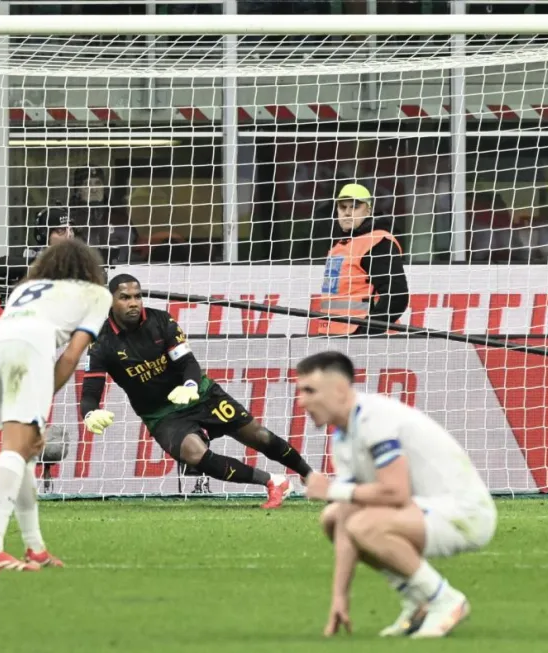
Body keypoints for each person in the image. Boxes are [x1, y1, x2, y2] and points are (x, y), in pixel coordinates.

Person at [298, 351, 496, 639]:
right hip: (427, 510)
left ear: (339, 390)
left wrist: (332, 489)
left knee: (363, 525)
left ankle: (444, 599)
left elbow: (396, 493)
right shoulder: (343, 437)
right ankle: (418, 600)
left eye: (309, 391)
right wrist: (340, 596)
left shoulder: (374, 419)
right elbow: (345, 513)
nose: (301, 401)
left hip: (466, 514)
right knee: (333, 516)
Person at [79, 274, 313, 509]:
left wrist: (190, 385)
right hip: (161, 414)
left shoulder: (161, 321)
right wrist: (90, 413)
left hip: (200, 394)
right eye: (125, 297)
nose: (133, 303)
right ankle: (274, 482)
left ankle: (310, 476)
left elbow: (188, 363)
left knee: (259, 436)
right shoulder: (101, 342)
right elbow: (90, 391)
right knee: (193, 454)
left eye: (137, 296)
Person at [0, 239, 111, 571]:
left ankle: (35, 548)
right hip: (26, 350)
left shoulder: (27, 287)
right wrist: (43, 399)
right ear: (90, 269)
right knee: (18, 449)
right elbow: (72, 355)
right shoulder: (97, 294)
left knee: (26, 453)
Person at [312, 183, 409, 336]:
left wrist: (367, 333)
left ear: (368, 210)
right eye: (343, 207)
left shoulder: (378, 242)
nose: (347, 213)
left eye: (354, 207)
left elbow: (396, 296)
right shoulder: (341, 245)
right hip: (338, 334)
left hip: (365, 339)